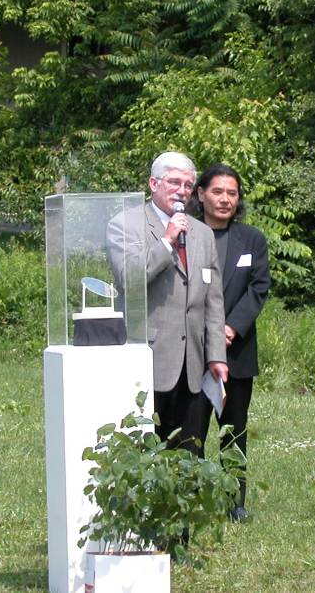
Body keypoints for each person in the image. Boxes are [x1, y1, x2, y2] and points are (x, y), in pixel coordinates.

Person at [105, 151, 228, 457]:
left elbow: (213, 301)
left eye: (188, 184)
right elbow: (129, 280)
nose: (182, 191)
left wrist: (217, 355)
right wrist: (166, 241)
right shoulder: (126, 225)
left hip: (194, 363)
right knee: (149, 451)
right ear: (153, 183)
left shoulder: (202, 233)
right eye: (174, 182)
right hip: (149, 357)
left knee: (189, 452)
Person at [188, 163, 271, 521]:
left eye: (232, 193)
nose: (225, 199)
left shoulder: (251, 239)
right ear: (201, 194)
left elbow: (259, 287)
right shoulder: (186, 233)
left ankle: (234, 501)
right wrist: (206, 331)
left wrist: (230, 328)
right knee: (191, 428)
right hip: (191, 349)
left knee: (234, 427)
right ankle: (189, 496)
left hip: (235, 350)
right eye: (218, 191)